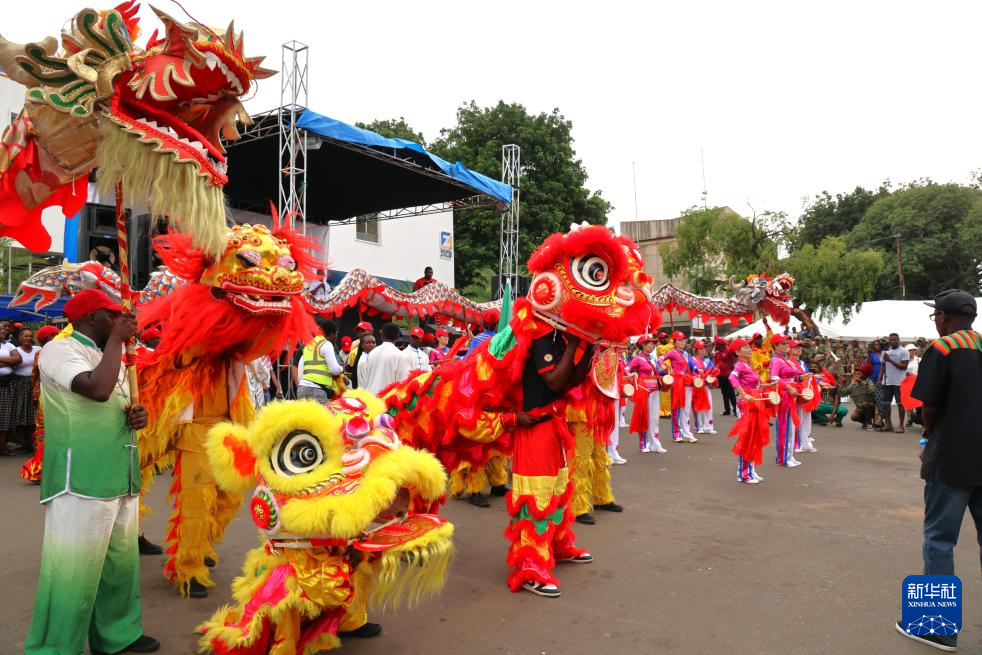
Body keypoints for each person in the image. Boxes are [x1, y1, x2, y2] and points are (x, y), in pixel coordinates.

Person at [24, 289, 159, 655]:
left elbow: (112, 403)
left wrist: (136, 415)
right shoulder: (59, 349)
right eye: (112, 315)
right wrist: (119, 339)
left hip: (121, 474)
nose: (120, 321)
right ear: (89, 318)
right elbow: (96, 390)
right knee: (70, 571)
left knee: (120, 566)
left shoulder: (108, 353)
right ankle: (55, 647)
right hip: (80, 478)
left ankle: (118, 635)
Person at [895, 289, 981, 652]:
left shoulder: (942, 349)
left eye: (936, 317)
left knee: (940, 539)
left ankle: (939, 628)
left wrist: (929, 435)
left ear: (943, 318)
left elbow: (928, 406)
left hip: (952, 457)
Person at [508, 329, 594, 598]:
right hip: (535, 429)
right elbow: (554, 382)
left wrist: (590, 346)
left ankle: (557, 545)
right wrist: (574, 346)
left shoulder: (556, 339)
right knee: (536, 498)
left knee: (558, 492)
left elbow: (571, 381)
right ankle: (530, 567)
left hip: (553, 426)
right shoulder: (539, 337)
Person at [727, 338, 769, 483]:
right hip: (747, 403)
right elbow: (732, 378)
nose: (750, 349)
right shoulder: (740, 366)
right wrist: (744, 394)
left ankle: (750, 469)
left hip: (755, 401)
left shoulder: (748, 366)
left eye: (749, 347)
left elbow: (756, 386)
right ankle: (744, 473)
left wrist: (769, 385)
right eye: (745, 347)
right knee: (747, 437)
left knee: (754, 436)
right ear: (738, 352)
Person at [627, 334, 666, 454]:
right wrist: (633, 376)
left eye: (653, 343)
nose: (653, 345)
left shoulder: (653, 358)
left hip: (655, 389)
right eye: (650, 343)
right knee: (644, 416)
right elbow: (627, 369)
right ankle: (643, 443)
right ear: (643, 345)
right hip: (644, 390)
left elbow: (656, 372)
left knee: (655, 418)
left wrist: (664, 370)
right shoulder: (638, 358)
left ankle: (655, 443)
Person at [769, 335, 802, 468]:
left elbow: (794, 374)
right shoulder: (776, 360)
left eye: (787, 343)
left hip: (790, 394)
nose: (786, 345)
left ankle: (789, 455)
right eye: (782, 344)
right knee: (784, 425)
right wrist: (788, 386)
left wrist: (803, 376)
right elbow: (774, 378)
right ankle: (783, 457)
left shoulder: (785, 360)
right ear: (775, 346)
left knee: (791, 425)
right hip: (784, 395)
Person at [296, 316, 345, 403]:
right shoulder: (326, 344)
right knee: (320, 416)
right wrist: (342, 368)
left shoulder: (309, 344)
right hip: (317, 390)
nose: (335, 337)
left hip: (302, 388)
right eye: (335, 335)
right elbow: (334, 370)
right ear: (331, 334)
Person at [659, 331, 696, 443]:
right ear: (674, 342)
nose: (682, 342)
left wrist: (697, 369)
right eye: (679, 340)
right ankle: (677, 433)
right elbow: (660, 359)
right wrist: (665, 366)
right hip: (677, 381)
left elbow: (691, 365)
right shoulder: (672, 352)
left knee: (686, 408)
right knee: (677, 407)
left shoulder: (686, 354)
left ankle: (687, 432)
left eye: (683, 340)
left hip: (687, 381)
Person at [9, 327, 39, 452]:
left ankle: (33, 443)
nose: (28, 338)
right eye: (25, 336)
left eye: (30, 336)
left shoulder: (38, 349)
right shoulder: (15, 351)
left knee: (33, 415)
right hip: (20, 384)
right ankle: (23, 444)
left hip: (34, 385)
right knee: (20, 414)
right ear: (19, 338)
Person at [878, 332, 910, 433]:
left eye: (894, 340)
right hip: (887, 381)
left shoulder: (904, 351)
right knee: (886, 403)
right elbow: (883, 366)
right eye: (890, 340)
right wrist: (880, 379)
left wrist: (890, 360)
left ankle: (901, 426)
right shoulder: (885, 352)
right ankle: (888, 425)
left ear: (898, 340)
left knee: (900, 404)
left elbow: (904, 367)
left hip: (899, 382)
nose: (892, 341)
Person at [361, 323, 403, 394]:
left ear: (382, 335)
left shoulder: (371, 353)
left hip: (370, 398)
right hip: (386, 400)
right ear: (397, 337)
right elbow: (402, 382)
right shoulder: (400, 355)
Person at [0, 327, 22, 455]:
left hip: (5, 385)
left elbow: (17, 359)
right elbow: (12, 361)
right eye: (0, 330)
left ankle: (2, 447)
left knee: (4, 417)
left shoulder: (9, 345)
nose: (3, 331)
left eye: (3, 330)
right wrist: (8, 362)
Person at [689, 340, 717, 434]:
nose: (704, 350)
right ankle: (699, 426)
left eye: (705, 348)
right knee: (697, 406)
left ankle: (709, 426)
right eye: (701, 348)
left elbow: (715, 370)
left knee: (709, 406)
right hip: (696, 386)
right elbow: (688, 372)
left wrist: (712, 376)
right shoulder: (691, 360)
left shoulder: (708, 360)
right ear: (696, 350)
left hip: (706, 386)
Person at [714, 336, 737, 416]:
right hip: (720, 376)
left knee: (731, 393)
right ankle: (727, 410)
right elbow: (715, 364)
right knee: (724, 393)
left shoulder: (728, 351)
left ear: (721, 345)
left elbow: (735, 358)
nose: (716, 345)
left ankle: (736, 410)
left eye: (717, 344)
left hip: (729, 376)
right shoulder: (717, 354)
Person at [655, 332, 673, 417]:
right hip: (663, 370)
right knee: (664, 393)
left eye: (667, 337)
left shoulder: (670, 345)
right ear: (660, 339)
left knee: (670, 392)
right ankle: (664, 412)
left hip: (670, 370)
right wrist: (673, 340)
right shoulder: (659, 347)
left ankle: (669, 410)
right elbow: (669, 348)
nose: (666, 339)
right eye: (664, 338)